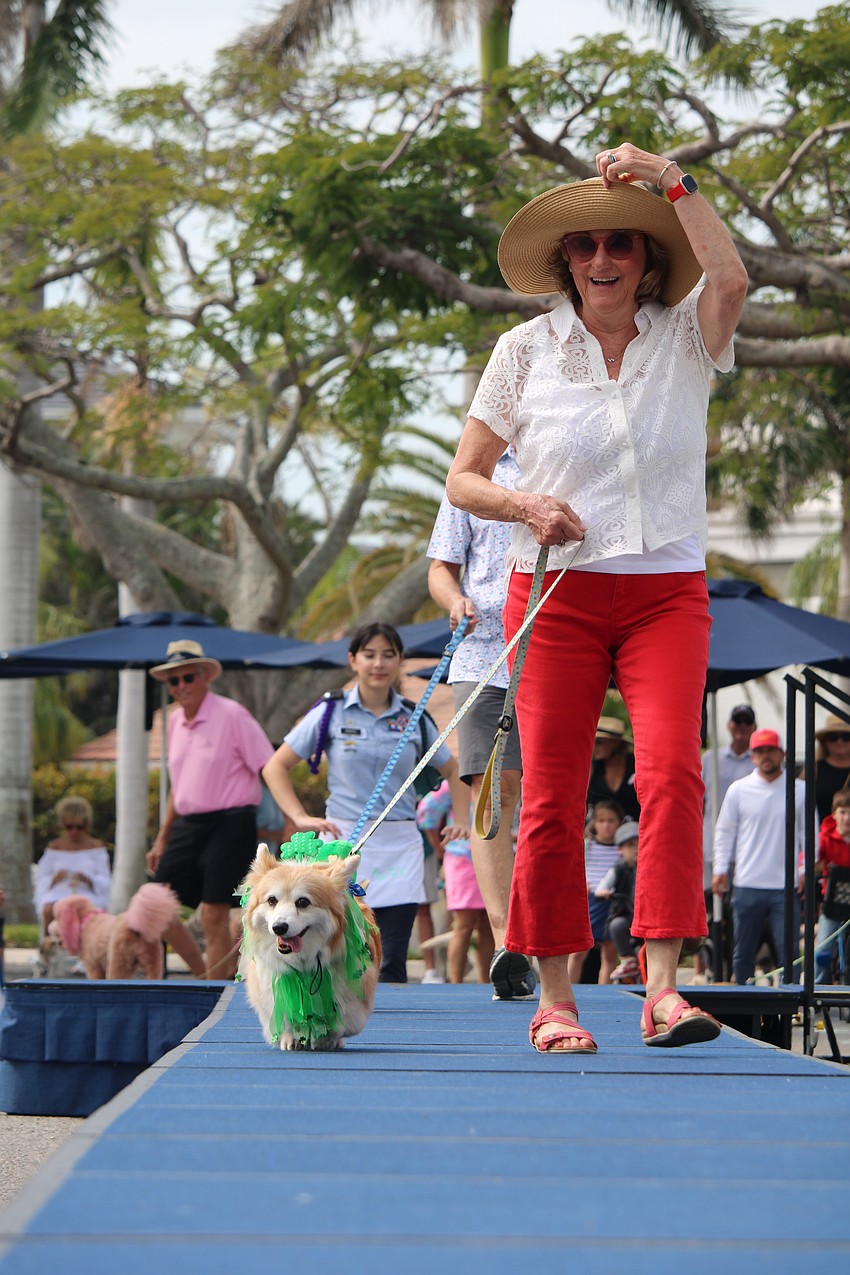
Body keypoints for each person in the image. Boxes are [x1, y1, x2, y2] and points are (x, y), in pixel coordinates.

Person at [446, 143, 747, 1051]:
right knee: (551, 793)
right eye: (586, 245)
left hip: (665, 593)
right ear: (566, 262)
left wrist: (669, 178)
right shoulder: (523, 351)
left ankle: (663, 990)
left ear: (648, 258)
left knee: (673, 774)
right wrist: (525, 505)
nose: (604, 257)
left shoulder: (687, 336)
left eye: (623, 242)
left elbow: (732, 276)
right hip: (555, 595)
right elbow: (464, 480)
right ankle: (555, 1000)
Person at [262, 622, 469, 984]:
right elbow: (274, 767)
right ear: (353, 660)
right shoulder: (330, 712)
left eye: (388, 655)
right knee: (339, 952)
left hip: (401, 845)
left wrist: (462, 820)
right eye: (369, 655)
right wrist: (298, 816)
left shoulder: (414, 717)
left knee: (390, 958)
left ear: (400, 661)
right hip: (341, 847)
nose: (378, 664)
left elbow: (453, 769)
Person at [427, 448, 536, 1000]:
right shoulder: (470, 472)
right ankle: (506, 943)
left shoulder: (567, 455)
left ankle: (544, 938)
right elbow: (441, 568)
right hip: (482, 655)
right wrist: (455, 600)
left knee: (546, 799)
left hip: (551, 647)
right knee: (492, 792)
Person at [146, 640, 274, 980]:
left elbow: (270, 767)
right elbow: (179, 785)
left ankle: (213, 991)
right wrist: (162, 838)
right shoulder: (174, 721)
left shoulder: (232, 714)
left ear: (205, 676)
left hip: (231, 823)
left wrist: (291, 818)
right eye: (173, 680)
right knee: (155, 905)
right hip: (188, 824)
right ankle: (205, 975)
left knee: (213, 914)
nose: (181, 686)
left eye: (188, 677)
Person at [712, 729, 804, 986]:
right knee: (742, 952)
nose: (766, 756)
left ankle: (791, 1003)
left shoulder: (800, 790)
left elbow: (808, 835)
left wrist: (805, 869)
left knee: (789, 951)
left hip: (785, 885)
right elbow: (724, 831)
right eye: (760, 751)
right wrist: (720, 869)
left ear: (782, 754)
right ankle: (742, 1001)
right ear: (752, 756)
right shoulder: (738, 789)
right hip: (747, 883)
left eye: (771, 750)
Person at [696, 702, 757, 978]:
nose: (742, 727)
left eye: (747, 722)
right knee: (709, 909)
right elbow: (700, 801)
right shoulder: (711, 759)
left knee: (738, 912)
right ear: (730, 725)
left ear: (753, 727)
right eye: (738, 721)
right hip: (711, 847)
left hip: (746, 851)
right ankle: (709, 967)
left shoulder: (758, 760)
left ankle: (735, 968)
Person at [418, 779, 495, 984]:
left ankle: (485, 984)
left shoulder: (500, 778)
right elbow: (426, 811)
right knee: (463, 925)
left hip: (494, 858)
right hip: (463, 858)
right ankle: (455, 984)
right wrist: (438, 847)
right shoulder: (455, 782)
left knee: (490, 926)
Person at [34, 796, 112, 932]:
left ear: (86, 825)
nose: (74, 832)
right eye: (69, 827)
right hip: (58, 893)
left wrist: (90, 880)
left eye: (79, 827)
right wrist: (53, 878)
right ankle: (48, 943)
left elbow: (106, 879)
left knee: (88, 911)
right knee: (49, 909)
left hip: (86, 894)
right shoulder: (54, 847)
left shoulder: (96, 848)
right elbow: (41, 877)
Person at [568, 800, 621, 986]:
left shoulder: (623, 848)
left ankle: (604, 992)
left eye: (611, 821)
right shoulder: (586, 846)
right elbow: (573, 869)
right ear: (594, 823)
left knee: (609, 954)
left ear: (619, 822)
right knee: (578, 952)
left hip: (613, 902)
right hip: (589, 901)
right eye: (601, 821)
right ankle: (568, 989)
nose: (606, 825)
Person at [596, 819, 641, 983]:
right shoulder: (618, 869)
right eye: (630, 845)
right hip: (626, 913)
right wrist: (603, 892)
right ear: (620, 850)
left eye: (639, 844)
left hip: (647, 915)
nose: (636, 848)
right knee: (617, 926)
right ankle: (628, 959)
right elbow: (603, 885)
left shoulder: (650, 867)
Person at [814, 788, 850, 984]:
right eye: (842, 812)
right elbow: (809, 861)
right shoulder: (824, 838)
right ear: (834, 814)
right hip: (832, 903)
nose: (847, 818)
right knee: (822, 950)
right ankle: (819, 987)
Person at [587, 716, 639, 821]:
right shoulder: (592, 768)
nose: (594, 747)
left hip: (633, 827)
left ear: (615, 742)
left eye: (599, 742)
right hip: (598, 828)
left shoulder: (636, 765)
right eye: (592, 741)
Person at [813, 715, 850, 826]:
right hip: (822, 833)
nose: (840, 741)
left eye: (846, 737)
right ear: (825, 742)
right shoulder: (814, 769)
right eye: (833, 737)